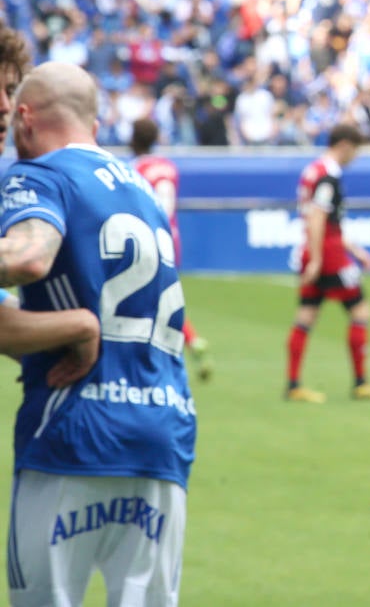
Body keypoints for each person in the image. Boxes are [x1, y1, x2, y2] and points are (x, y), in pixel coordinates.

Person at [0, 62, 196, 606]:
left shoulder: (39, 175)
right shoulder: (142, 192)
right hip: (163, 435)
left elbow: (29, 256)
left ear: (25, 117)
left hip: (72, 432)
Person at [286, 122, 370, 403]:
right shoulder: (328, 176)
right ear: (345, 145)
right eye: (355, 150)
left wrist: (355, 251)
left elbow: (322, 220)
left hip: (316, 250)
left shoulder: (314, 170)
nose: (355, 157)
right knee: (361, 311)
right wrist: (318, 259)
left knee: (306, 315)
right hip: (328, 256)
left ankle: (293, 384)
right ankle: (361, 383)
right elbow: (318, 217)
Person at [130, 117, 212, 381]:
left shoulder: (133, 170)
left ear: (133, 140)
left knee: (143, 298)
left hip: (145, 239)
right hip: (171, 239)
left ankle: (170, 350)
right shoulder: (169, 167)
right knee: (163, 295)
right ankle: (191, 338)